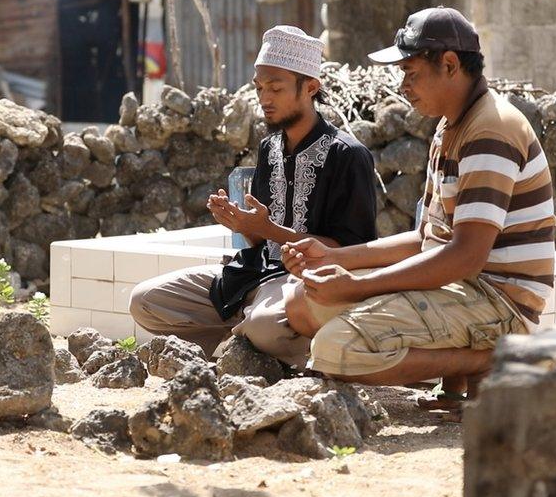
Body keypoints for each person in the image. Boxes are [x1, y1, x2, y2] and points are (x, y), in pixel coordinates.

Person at [282, 7, 555, 417]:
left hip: (500, 304)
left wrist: (356, 286)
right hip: (461, 289)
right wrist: (334, 259)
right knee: (304, 301)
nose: (404, 86)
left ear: (449, 65)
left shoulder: (490, 130)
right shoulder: (451, 126)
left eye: (410, 73)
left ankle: (488, 359)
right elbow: (427, 238)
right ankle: (459, 377)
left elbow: (466, 257)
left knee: (334, 349)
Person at [130, 25, 378, 363]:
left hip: (304, 287)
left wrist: (268, 229)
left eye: (275, 88)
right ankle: (241, 342)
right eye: (259, 87)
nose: (264, 98)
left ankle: (249, 340)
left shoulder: (348, 155)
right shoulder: (268, 147)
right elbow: (260, 243)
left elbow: (352, 252)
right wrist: (242, 226)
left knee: (265, 327)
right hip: (253, 276)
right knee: (146, 301)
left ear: (311, 87)